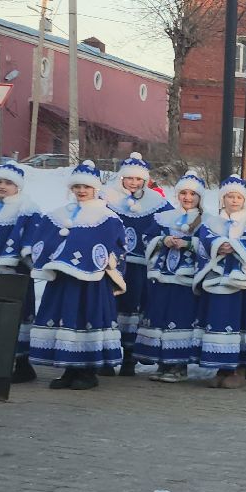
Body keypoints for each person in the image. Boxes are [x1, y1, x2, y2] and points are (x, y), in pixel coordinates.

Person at [29, 161, 126, 391]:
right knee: (66, 320)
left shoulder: (107, 217)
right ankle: (69, 368)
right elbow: (44, 239)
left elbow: (118, 246)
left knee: (86, 318)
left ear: (95, 188)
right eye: (77, 187)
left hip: (92, 283)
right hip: (64, 280)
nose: (81, 191)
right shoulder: (58, 215)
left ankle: (88, 370)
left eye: (86, 187)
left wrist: (107, 261)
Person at [193, 175, 246, 388]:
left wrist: (236, 248)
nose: (234, 201)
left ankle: (240, 369)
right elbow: (203, 244)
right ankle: (222, 366)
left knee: (240, 323)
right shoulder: (211, 223)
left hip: (243, 284)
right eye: (230, 196)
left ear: (244, 200)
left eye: (238, 197)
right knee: (219, 320)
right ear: (222, 199)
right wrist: (218, 244)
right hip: (218, 281)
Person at [137, 172, 209, 383]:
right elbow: (147, 237)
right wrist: (163, 240)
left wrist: (189, 244)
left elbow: (210, 246)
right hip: (163, 276)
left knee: (181, 318)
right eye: (184, 193)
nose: (187, 198)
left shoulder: (206, 221)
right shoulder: (164, 217)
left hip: (186, 279)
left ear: (200, 197)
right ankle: (162, 362)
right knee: (160, 315)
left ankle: (179, 364)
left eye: (192, 194)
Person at [104, 152, 168, 376]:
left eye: (138, 179)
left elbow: (169, 221)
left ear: (145, 180)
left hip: (139, 265)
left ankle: (130, 357)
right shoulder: (107, 197)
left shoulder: (156, 202)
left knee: (134, 308)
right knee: (111, 308)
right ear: (122, 178)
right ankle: (107, 356)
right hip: (112, 266)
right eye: (129, 178)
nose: (133, 183)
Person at [0, 162, 45, 383]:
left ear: (18, 186)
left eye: (8, 183)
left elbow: (34, 236)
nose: (2, 186)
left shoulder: (27, 208)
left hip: (16, 271)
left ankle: (22, 363)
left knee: (18, 314)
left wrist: (25, 252)